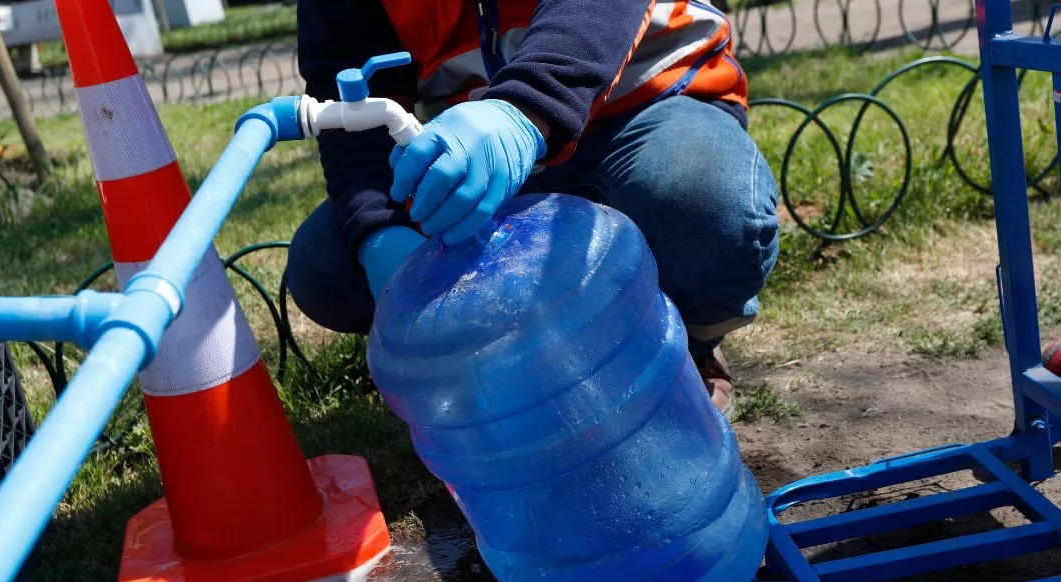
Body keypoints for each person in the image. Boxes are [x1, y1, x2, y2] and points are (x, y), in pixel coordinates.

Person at [287, 0, 780, 418]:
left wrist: (525, 110)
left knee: (705, 208)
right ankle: (512, 362)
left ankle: (682, 337)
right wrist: (380, 229)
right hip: (479, 144)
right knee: (326, 264)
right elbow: (349, 76)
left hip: (646, 104)